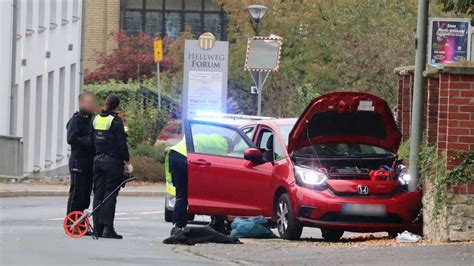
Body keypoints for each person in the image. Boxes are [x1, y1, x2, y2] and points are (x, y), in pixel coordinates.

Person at [166, 133, 230, 236]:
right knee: (184, 195)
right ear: (229, 145)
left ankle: (178, 226)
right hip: (185, 157)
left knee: (181, 194)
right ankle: (179, 228)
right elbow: (220, 164)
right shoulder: (222, 146)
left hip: (175, 154)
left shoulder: (212, 138)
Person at [91, 94, 133, 239]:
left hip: (97, 161)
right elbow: (122, 144)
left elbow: (92, 140)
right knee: (110, 195)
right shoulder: (115, 121)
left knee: (98, 194)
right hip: (112, 162)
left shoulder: (96, 119)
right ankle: (108, 229)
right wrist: (128, 162)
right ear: (116, 106)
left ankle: (97, 228)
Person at [66, 92, 96, 214]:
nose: (91, 105)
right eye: (88, 102)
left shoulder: (92, 119)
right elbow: (71, 138)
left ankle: (81, 222)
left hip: (90, 160)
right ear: (81, 103)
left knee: (86, 194)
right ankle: (71, 221)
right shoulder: (76, 120)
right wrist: (90, 142)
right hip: (78, 160)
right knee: (77, 193)